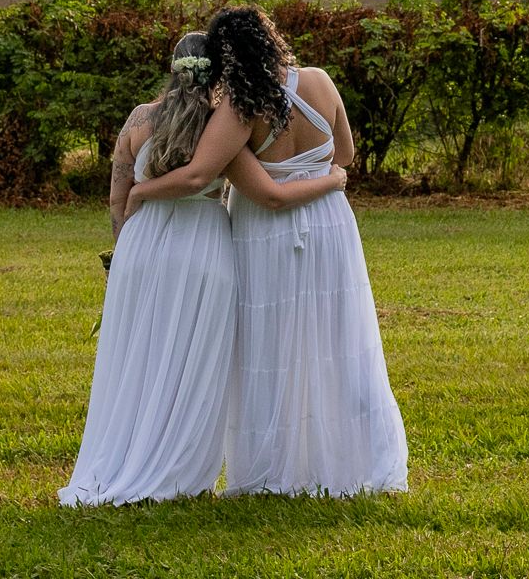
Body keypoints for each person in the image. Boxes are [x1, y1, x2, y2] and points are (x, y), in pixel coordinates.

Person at [128, 7, 408, 497]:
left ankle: (276, 467)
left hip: (268, 233)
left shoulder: (240, 108)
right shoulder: (320, 81)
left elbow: (233, 185)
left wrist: (140, 192)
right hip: (331, 224)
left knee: (269, 344)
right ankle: (355, 459)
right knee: (337, 338)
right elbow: (344, 155)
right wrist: (327, 179)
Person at [59, 31, 348, 506]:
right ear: (217, 72)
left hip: (140, 244)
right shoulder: (220, 123)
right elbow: (217, 179)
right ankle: (182, 471)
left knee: (135, 358)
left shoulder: (138, 119)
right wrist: (331, 178)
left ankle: (121, 457)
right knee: (198, 361)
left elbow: (117, 195)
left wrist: (123, 249)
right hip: (204, 244)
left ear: (172, 67)